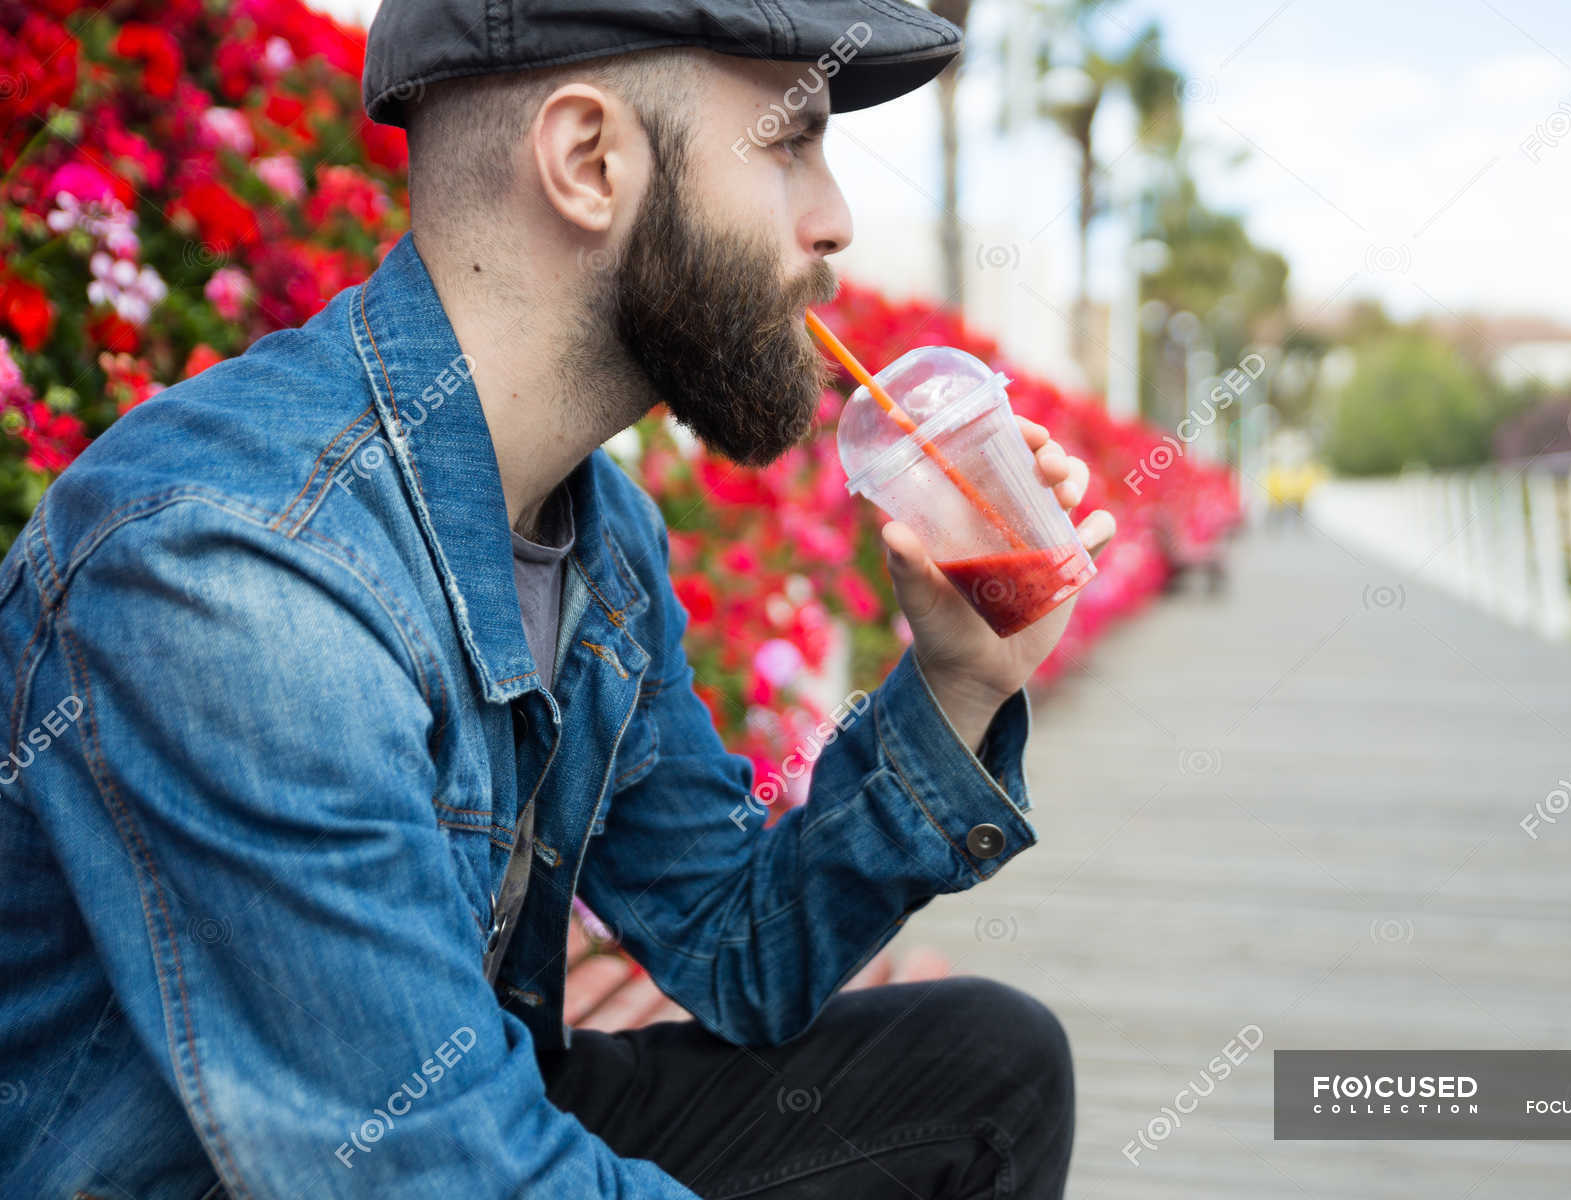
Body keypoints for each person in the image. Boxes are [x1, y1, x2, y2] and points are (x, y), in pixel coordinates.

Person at [0, 1, 1115, 1196]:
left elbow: (738, 948)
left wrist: (957, 681)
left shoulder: (598, 532)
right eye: (790, 143)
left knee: (985, 1072)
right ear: (589, 162)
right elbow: (437, 1171)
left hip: (437, 1129)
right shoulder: (237, 575)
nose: (836, 221)